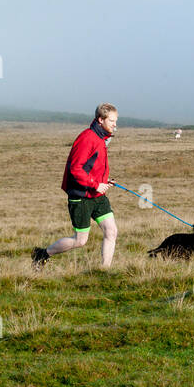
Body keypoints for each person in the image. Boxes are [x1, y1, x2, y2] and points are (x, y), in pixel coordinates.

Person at [32, 103, 118, 268]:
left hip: (97, 196)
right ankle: (42, 254)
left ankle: (104, 271)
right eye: (112, 121)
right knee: (80, 240)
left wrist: (104, 182)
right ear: (100, 120)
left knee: (111, 231)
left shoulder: (101, 138)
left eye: (116, 121)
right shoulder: (87, 138)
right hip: (81, 197)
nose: (115, 124)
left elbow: (92, 167)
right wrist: (95, 184)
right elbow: (75, 169)